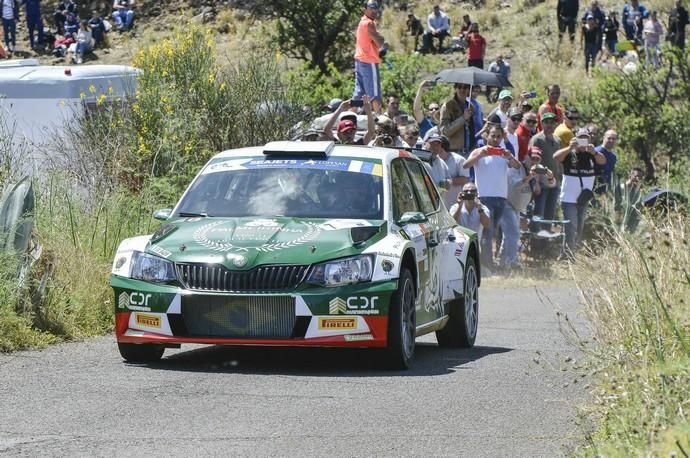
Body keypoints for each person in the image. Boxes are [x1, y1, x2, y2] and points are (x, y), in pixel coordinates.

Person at [463, 124, 520, 268]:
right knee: (486, 233)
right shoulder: (479, 151)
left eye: (498, 136)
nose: (495, 139)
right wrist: (480, 155)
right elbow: (465, 165)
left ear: (502, 137)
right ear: (487, 136)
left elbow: (517, 166)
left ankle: (495, 262)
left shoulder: (503, 153)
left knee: (495, 232)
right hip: (483, 197)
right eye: (493, 136)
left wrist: (509, 156)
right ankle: (487, 265)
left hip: (501, 197)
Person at [554, 127, 606, 258]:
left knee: (579, 228)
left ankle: (567, 253)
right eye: (581, 138)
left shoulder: (592, 153)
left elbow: (603, 161)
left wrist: (594, 152)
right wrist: (569, 148)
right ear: (575, 138)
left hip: (583, 198)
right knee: (571, 227)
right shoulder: (570, 153)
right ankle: (568, 256)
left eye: (586, 138)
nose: (583, 140)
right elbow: (556, 157)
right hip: (569, 198)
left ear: (589, 139)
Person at [500, 146, 557, 268]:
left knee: (509, 235)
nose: (534, 161)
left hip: (518, 207)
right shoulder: (517, 167)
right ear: (526, 157)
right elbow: (516, 186)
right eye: (532, 158)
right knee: (514, 233)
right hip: (508, 203)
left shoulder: (538, 170)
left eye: (537, 159)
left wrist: (549, 175)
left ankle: (503, 262)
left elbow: (552, 185)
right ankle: (512, 262)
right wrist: (530, 176)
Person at [528, 112, 562, 230]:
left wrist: (560, 179)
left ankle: (546, 242)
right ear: (541, 123)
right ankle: (536, 244)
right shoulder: (537, 139)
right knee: (538, 214)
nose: (549, 125)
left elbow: (558, 161)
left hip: (554, 182)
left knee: (550, 214)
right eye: (546, 122)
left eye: (552, 122)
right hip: (541, 183)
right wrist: (535, 182)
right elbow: (533, 161)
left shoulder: (557, 140)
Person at [353, 2, 388, 113]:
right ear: (365, 9)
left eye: (376, 8)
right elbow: (380, 42)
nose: (374, 11)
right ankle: (380, 121)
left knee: (359, 92)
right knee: (374, 94)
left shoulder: (362, 22)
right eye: (371, 8)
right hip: (369, 61)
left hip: (359, 60)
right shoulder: (369, 23)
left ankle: (349, 117)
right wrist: (383, 41)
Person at [432, 135, 470, 210]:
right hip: (439, 204)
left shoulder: (459, 160)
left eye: (439, 151)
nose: (437, 153)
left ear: (443, 149)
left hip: (455, 203)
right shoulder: (434, 160)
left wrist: (450, 181)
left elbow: (465, 180)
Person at [439, 83, 474, 154]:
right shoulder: (448, 106)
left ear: (468, 89)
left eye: (465, 87)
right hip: (453, 151)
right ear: (455, 88)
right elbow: (445, 131)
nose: (462, 89)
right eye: (459, 87)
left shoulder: (470, 106)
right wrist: (463, 118)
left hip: (469, 151)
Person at [614, 167, 644, 232]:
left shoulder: (638, 192)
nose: (638, 179)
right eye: (636, 176)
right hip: (619, 219)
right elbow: (615, 204)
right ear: (630, 175)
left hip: (630, 222)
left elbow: (638, 207)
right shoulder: (621, 188)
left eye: (640, 177)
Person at [594, 129, 618, 193]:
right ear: (603, 138)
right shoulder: (596, 152)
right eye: (609, 138)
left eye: (614, 139)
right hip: (594, 188)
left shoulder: (613, 156)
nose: (611, 141)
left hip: (606, 190)